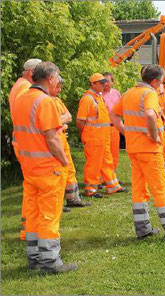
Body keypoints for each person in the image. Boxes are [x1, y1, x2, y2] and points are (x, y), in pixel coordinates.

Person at [111, 65, 165, 240]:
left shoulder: (129, 93)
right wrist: (154, 135)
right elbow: (149, 114)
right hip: (149, 150)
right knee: (160, 188)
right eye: (161, 81)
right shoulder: (149, 94)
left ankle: (143, 229)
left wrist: (126, 132)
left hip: (134, 149)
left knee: (139, 188)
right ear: (154, 81)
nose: (161, 85)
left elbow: (114, 115)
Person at [12, 61, 77, 274]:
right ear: (49, 78)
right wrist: (64, 161)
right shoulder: (45, 101)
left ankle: (35, 258)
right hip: (48, 168)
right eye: (57, 77)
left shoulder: (22, 99)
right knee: (49, 215)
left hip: (29, 168)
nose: (59, 82)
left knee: (33, 214)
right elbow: (52, 138)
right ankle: (51, 262)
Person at [76, 73, 127, 198]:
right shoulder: (87, 99)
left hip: (103, 137)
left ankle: (113, 186)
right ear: (93, 84)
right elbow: (80, 121)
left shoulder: (98, 97)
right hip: (93, 137)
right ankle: (90, 189)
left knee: (107, 161)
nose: (104, 84)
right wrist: (83, 134)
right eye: (100, 83)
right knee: (93, 163)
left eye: (104, 82)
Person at [9, 58, 42, 241]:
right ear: (32, 73)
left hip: (22, 141)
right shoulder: (25, 89)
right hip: (27, 143)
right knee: (33, 187)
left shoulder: (19, 85)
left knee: (31, 186)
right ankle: (30, 226)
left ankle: (29, 225)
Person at [51, 76, 91, 209]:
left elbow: (68, 116)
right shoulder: (45, 101)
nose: (59, 90)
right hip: (55, 139)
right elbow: (51, 123)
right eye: (57, 87)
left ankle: (72, 198)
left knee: (69, 169)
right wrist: (61, 122)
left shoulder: (57, 100)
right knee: (57, 171)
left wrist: (60, 121)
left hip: (62, 138)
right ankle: (56, 201)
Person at [102, 72, 121, 171]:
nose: (105, 83)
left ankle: (112, 175)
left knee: (114, 152)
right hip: (103, 128)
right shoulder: (98, 94)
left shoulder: (116, 93)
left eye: (107, 81)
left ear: (112, 82)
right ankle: (101, 178)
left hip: (115, 128)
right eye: (103, 81)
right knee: (104, 153)